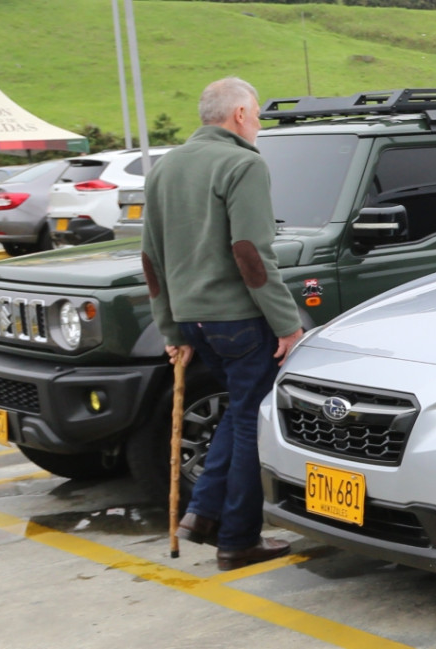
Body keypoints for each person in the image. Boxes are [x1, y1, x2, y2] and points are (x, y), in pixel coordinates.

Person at [141, 76, 303, 571]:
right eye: (255, 114)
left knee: (237, 417)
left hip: (192, 322)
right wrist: (288, 324)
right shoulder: (242, 163)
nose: (257, 124)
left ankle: (204, 515)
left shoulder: (166, 167)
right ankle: (235, 538)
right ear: (238, 115)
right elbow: (250, 253)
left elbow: (151, 260)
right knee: (251, 423)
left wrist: (171, 332)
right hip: (238, 320)